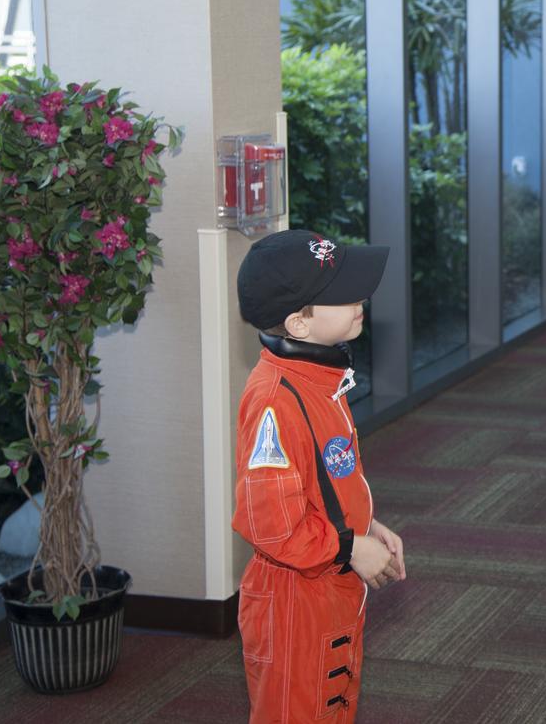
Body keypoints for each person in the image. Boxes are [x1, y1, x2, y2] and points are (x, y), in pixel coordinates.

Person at [233, 229, 406, 723]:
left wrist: (365, 527)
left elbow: (321, 485)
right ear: (298, 323)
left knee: (332, 706)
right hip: (294, 601)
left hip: (329, 581)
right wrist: (350, 547)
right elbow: (272, 526)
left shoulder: (319, 381)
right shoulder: (275, 400)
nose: (361, 299)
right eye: (341, 294)